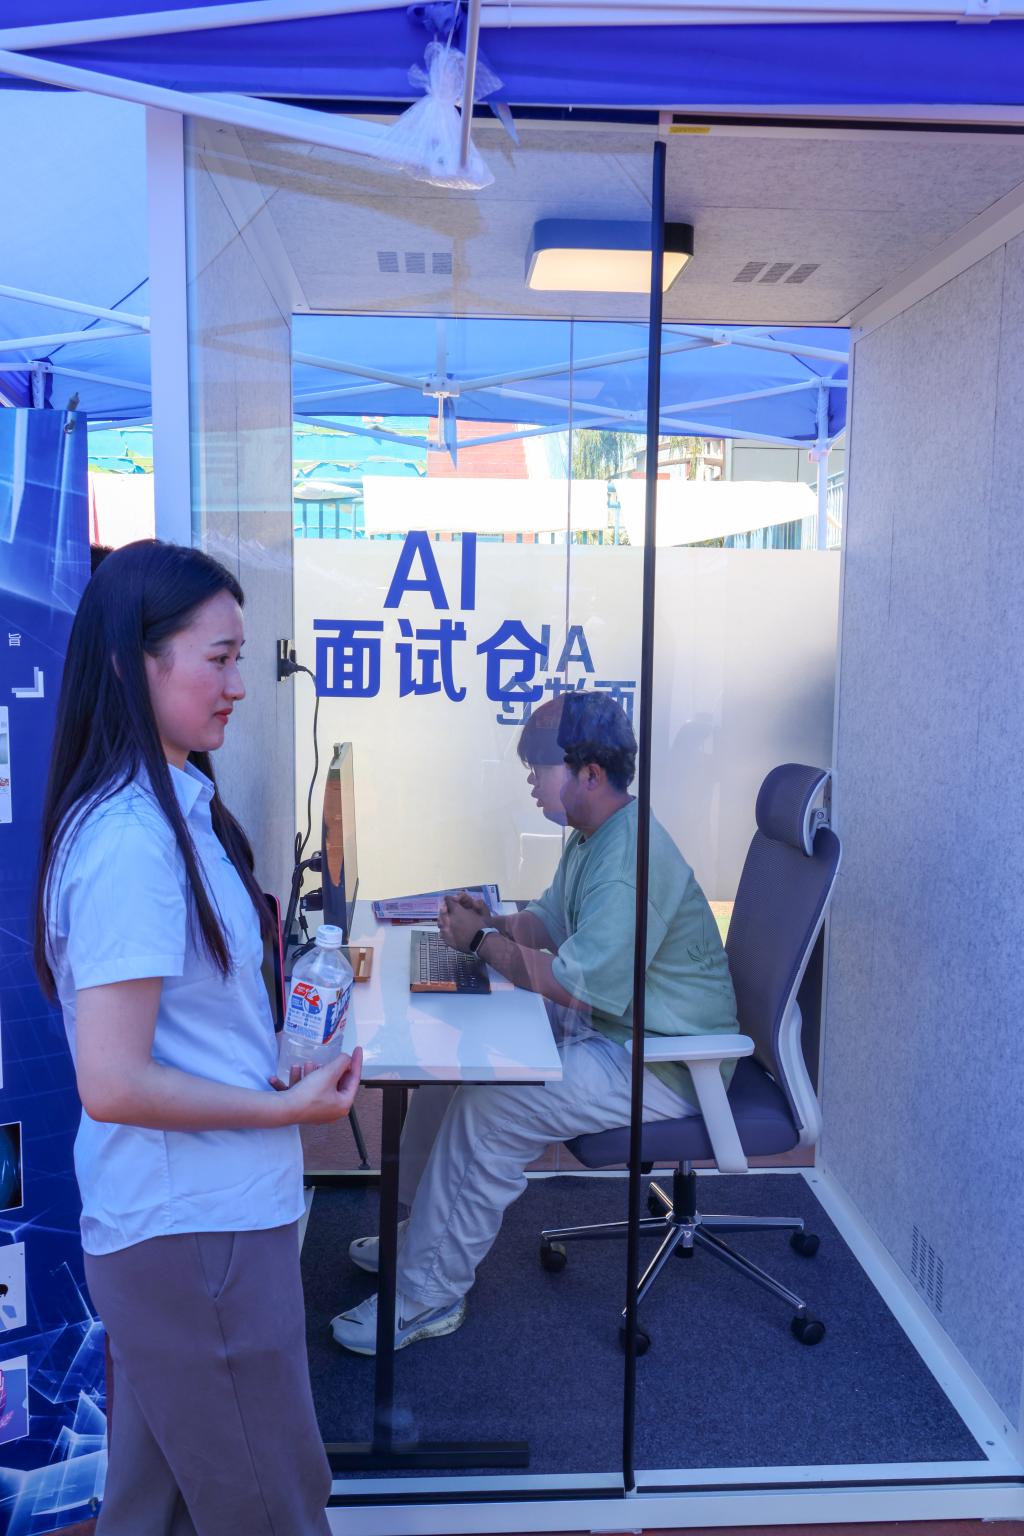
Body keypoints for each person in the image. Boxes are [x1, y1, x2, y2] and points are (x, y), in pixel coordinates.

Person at [35, 540, 363, 1536]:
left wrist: (280, 1061)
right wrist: (282, 1108)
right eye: (217, 659)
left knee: (156, 1508)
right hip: (196, 1230)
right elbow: (112, 1079)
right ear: (135, 663)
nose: (238, 686)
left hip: (195, 1221)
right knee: (272, 1509)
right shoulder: (133, 841)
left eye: (239, 658)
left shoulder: (175, 808)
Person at [330, 691, 737, 1356]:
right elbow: (546, 922)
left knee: (495, 1106)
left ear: (590, 774)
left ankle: (428, 1294)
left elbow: (570, 983)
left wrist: (477, 943)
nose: (529, 780)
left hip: (665, 1058)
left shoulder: (627, 863)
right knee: (452, 1058)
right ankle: (422, 1234)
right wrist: (490, 921)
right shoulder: (594, 835)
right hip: (618, 1024)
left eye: (538, 767)